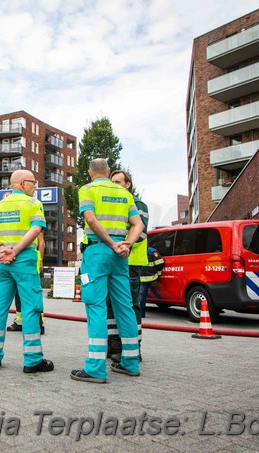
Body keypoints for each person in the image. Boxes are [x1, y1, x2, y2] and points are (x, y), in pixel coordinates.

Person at [71, 158, 143, 384]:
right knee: (125, 306)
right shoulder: (124, 193)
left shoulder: (87, 189)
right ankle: (130, 362)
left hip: (97, 252)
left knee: (96, 306)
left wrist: (111, 244)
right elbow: (138, 224)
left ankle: (95, 368)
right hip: (121, 255)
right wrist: (126, 245)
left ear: (90, 172)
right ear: (109, 171)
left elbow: (90, 219)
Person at [0, 170, 53, 373]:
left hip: (3, 262)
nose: (35, 187)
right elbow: (36, 229)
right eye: (33, 183)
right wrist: (16, 250)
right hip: (23, 262)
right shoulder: (33, 203)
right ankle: (32, 360)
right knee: (31, 309)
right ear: (23, 183)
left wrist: (0, 248)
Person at [106, 170, 148, 363]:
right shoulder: (113, 203)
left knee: (131, 305)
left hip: (130, 262)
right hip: (115, 261)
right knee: (111, 305)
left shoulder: (137, 204)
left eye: (118, 182)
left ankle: (134, 348)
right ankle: (114, 345)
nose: (114, 185)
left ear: (128, 184)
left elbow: (141, 231)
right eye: (112, 182)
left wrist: (119, 244)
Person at [7, 232, 45, 335]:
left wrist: (40, 260)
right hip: (17, 260)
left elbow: (41, 242)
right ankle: (20, 322)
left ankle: (38, 323)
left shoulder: (33, 220)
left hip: (28, 260)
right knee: (19, 293)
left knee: (31, 294)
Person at [139, 246, 164, 317]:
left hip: (144, 277)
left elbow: (160, 264)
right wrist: (158, 274)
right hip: (146, 277)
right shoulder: (151, 251)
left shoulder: (150, 251)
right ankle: (140, 313)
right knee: (140, 295)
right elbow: (160, 264)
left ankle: (140, 313)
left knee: (140, 295)